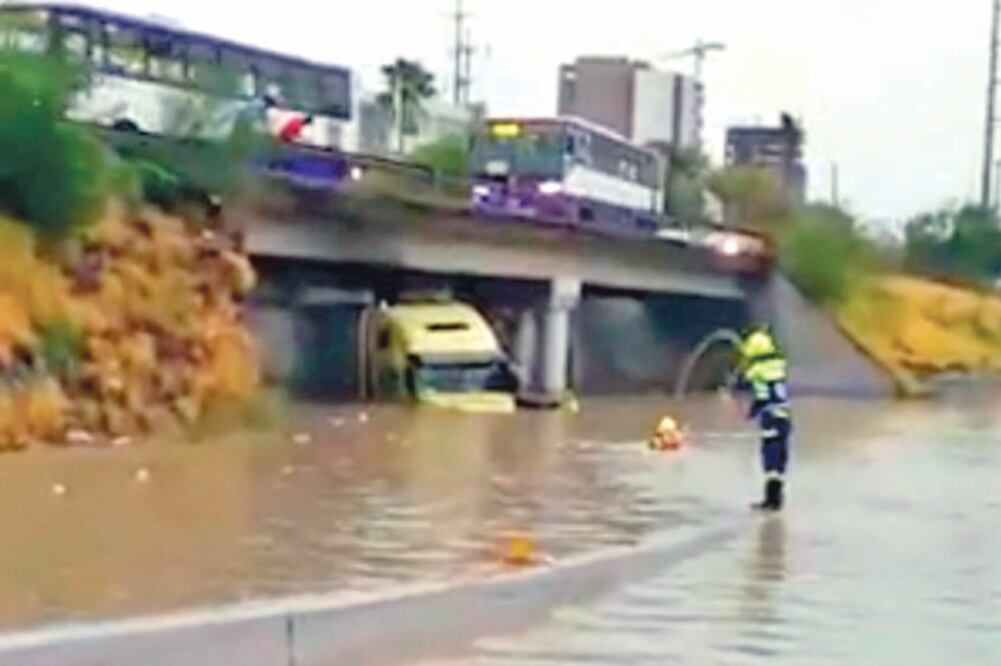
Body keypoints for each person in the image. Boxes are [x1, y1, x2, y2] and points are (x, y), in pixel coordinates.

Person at [736, 325, 792, 512]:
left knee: (770, 457)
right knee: (781, 456)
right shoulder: (777, 369)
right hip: (785, 417)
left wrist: (752, 413)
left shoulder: (758, 373)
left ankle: (771, 500)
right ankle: (778, 498)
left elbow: (762, 398)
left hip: (770, 418)